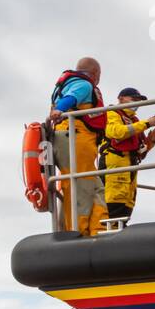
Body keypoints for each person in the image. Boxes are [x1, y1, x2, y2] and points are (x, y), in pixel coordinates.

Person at [48, 57, 108, 235]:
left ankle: (98, 231)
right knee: (79, 190)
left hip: (74, 140)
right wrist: (59, 109)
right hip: (75, 139)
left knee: (97, 188)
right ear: (95, 74)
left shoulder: (68, 83)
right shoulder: (84, 85)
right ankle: (76, 234)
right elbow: (70, 99)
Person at [98, 87, 155, 226]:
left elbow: (140, 151)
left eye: (138, 101)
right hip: (115, 164)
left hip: (130, 167)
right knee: (114, 203)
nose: (137, 103)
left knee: (127, 205)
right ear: (121, 99)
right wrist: (146, 124)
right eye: (134, 99)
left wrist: (151, 141)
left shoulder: (134, 120)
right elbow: (116, 132)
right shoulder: (112, 113)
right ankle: (110, 234)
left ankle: (120, 233)